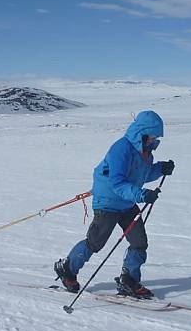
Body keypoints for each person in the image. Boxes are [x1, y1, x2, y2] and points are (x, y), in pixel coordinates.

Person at [54, 110, 174, 298]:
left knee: (139, 243)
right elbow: (118, 182)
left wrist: (160, 169)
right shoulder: (121, 149)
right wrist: (142, 195)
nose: (154, 139)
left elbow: (142, 175)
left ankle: (130, 280)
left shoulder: (146, 152)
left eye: (156, 136)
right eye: (152, 135)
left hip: (127, 203)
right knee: (95, 243)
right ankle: (67, 269)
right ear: (142, 132)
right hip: (108, 201)